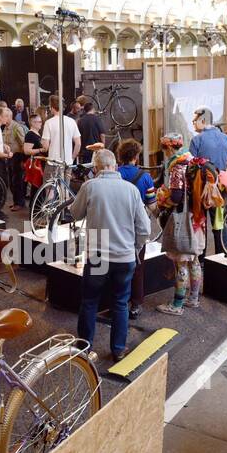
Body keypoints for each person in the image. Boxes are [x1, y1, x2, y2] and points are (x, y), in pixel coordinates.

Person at [70, 149, 151, 363]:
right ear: (115, 166)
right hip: (124, 257)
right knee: (121, 303)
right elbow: (144, 228)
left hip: (98, 255)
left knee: (89, 301)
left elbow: (74, 213)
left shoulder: (90, 187)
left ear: (95, 168)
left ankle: (84, 347)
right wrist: (135, 248)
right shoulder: (131, 190)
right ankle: (118, 349)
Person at [156, 132, 205, 316]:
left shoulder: (177, 166)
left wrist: (163, 199)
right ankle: (193, 299)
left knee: (181, 263)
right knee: (194, 260)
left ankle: (177, 305)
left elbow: (176, 196)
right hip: (197, 218)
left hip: (182, 220)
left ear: (169, 147)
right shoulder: (193, 160)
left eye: (164, 148)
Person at [117, 138, 156, 320]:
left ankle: (118, 301)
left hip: (117, 226)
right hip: (137, 227)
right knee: (137, 266)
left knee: (117, 265)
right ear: (136, 156)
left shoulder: (115, 174)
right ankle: (136, 304)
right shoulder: (145, 177)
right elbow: (152, 204)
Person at [188, 107, 227, 174]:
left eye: (195, 120)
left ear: (203, 120)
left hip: (203, 182)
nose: (193, 123)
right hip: (221, 182)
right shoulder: (226, 138)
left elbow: (191, 166)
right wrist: (226, 178)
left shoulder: (196, 140)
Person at [41, 96, 80, 166]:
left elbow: (45, 147)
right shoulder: (72, 121)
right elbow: (78, 144)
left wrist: (42, 142)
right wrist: (72, 158)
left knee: (48, 177)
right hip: (68, 162)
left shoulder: (48, 123)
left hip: (53, 162)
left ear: (52, 107)